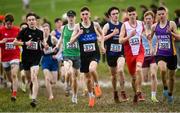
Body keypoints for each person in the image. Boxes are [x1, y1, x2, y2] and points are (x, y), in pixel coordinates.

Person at [70, 6, 105, 107]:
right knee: (88, 79)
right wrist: (78, 34)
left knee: (92, 69)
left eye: (86, 14)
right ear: (81, 16)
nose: (85, 16)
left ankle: (97, 85)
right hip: (84, 56)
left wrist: (102, 46)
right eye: (83, 14)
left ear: (89, 14)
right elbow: (71, 41)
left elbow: (102, 35)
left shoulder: (95, 24)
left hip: (94, 53)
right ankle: (91, 97)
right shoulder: (77, 26)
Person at [13, 12, 44, 107]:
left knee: (34, 76)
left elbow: (42, 43)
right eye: (29, 20)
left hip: (36, 57)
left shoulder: (40, 32)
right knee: (29, 78)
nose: (31, 21)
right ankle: (31, 89)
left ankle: (34, 99)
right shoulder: (23, 31)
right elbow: (14, 42)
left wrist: (44, 45)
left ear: (36, 21)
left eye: (33, 20)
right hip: (26, 58)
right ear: (27, 22)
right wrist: (25, 43)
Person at [150, 7, 179, 104]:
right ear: (157, 15)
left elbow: (179, 37)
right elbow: (150, 37)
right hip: (160, 54)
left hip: (172, 54)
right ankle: (165, 88)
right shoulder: (154, 26)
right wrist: (151, 46)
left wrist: (171, 33)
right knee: (162, 69)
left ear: (166, 14)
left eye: (163, 14)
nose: (161, 16)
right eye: (159, 14)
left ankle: (170, 94)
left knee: (171, 77)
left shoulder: (171, 24)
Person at [119, 6, 145, 104]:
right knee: (134, 77)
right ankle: (136, 93)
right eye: (130, 15)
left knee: (139, 68)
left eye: (133, 14)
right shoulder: (124, 25)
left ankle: (139, 91)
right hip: (129, 54)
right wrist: (129, 36)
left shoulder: (141, 23)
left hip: (140, 51)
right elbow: (120, 40)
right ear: (127, 15)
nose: (132, 16)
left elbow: (148, 32)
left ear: (136, 14)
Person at [103, 6, 128, 103]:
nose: (116, 15)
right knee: (113, 76)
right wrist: (112, 34)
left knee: (120, 70)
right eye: (113, 14)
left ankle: (123, 91)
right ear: (110, 16)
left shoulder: (123, 25)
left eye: (117, 13)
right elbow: (102, 38)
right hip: (110, 55)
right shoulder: (107, 26)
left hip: (120, 53)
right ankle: (115, 92)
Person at [56, 10, 80, 104]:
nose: (70, 18)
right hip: (67, 54)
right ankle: (67, 85)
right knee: (68, 72)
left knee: (75, 78)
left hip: (77, 55)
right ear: (67, 17)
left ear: (75, 17)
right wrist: (57, 46)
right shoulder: (63, 27)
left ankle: (74, 96)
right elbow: (61, 38)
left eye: (72, 16)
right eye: (69, 16)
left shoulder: (78, 27)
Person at [0, 14, 20, 101]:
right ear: (5, 23)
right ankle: (12, 84)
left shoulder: (17, 30)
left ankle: (14, 94)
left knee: (14, 74)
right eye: (7, 24)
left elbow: (21, 41)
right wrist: (1, 41)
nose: (9, 25)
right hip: (5, 57)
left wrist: (17, 42)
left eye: (11, 24)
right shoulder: (1, 30)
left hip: (15, 55)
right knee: (9, 77)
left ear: (13, 23)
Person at [142, 11, 158, 102]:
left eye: (150, 19)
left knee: (153, 74)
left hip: (154, 55)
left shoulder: (156, 28)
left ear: (153, 19)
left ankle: (153, 96)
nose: (148, 20)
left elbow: (159, 39)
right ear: (144, 20)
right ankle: (141, 94)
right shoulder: (141, 29)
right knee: (144, 79)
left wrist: (155, 49)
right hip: (144, 56)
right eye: (146, 19)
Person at [41, 23, 58, 100]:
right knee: (47, 78)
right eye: (44, 30)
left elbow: (60, 45)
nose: (45, 31)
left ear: (49, 30)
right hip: (45, 60)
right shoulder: (40, 40)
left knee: (53, 81)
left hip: (53, 59)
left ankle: (50, 84)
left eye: (47, 29)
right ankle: (50, 95)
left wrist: (57, 53)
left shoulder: (53, 38)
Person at [19, 22, 28, 92]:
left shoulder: (31, 37)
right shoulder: (18, 38)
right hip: (20, 60)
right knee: (22, 75)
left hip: (30, 60)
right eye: (23, 28)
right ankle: (23, 83)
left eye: (25, 28)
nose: (24, 29)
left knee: (30, 76)